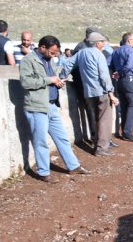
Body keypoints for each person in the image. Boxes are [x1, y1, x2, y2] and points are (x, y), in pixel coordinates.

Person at [19, 35, 89, 181]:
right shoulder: (28, 60)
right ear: (42, 47)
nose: (54, 55)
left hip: (51, 105)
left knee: (62, 138)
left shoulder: (48, 60)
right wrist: (49, 80)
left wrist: (56, 82)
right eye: (52, 52)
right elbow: (26, 82)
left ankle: (73, 166)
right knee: (40, 141)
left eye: (56, 53)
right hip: (37, 106)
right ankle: (43, 172)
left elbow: (49, 79)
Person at [59, 31, 120, 157]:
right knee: (105, 119)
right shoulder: (99, 55)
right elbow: (104, 75)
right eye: (102, 42)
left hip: (88, 91)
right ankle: (102, 148)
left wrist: (62, 77)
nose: (104, 44)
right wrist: (111, 93)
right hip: (101, 91)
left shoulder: (81, 53)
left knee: (95, 118)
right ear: (97, 44)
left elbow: (68, 64)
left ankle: (97, 143)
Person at [110, 32, 133, 141]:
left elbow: (111, 65)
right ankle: (128, 132)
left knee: (124, 105)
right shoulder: (130, 51)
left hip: (120, 81)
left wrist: (116, 73)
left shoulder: (116, 51)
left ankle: (124, 130)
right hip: (128, 78)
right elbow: (129, 65)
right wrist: (121, 72)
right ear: (128, 41)